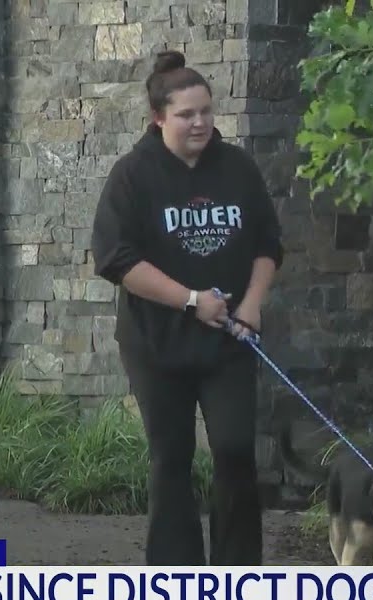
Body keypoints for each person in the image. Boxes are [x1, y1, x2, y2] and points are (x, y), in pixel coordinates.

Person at [90, 50, 284, 566]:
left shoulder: (238, 168)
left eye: (205, 111)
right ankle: (174, 583)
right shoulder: (133, 175)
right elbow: (117, 259)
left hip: (229, 342)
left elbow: (268, 243)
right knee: (171, 459)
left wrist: (253, 303)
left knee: (235, 451)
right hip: (158, 343)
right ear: (159, 118)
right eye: (186, 115)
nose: (200, 123)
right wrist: (192, 300)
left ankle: (238, 576)